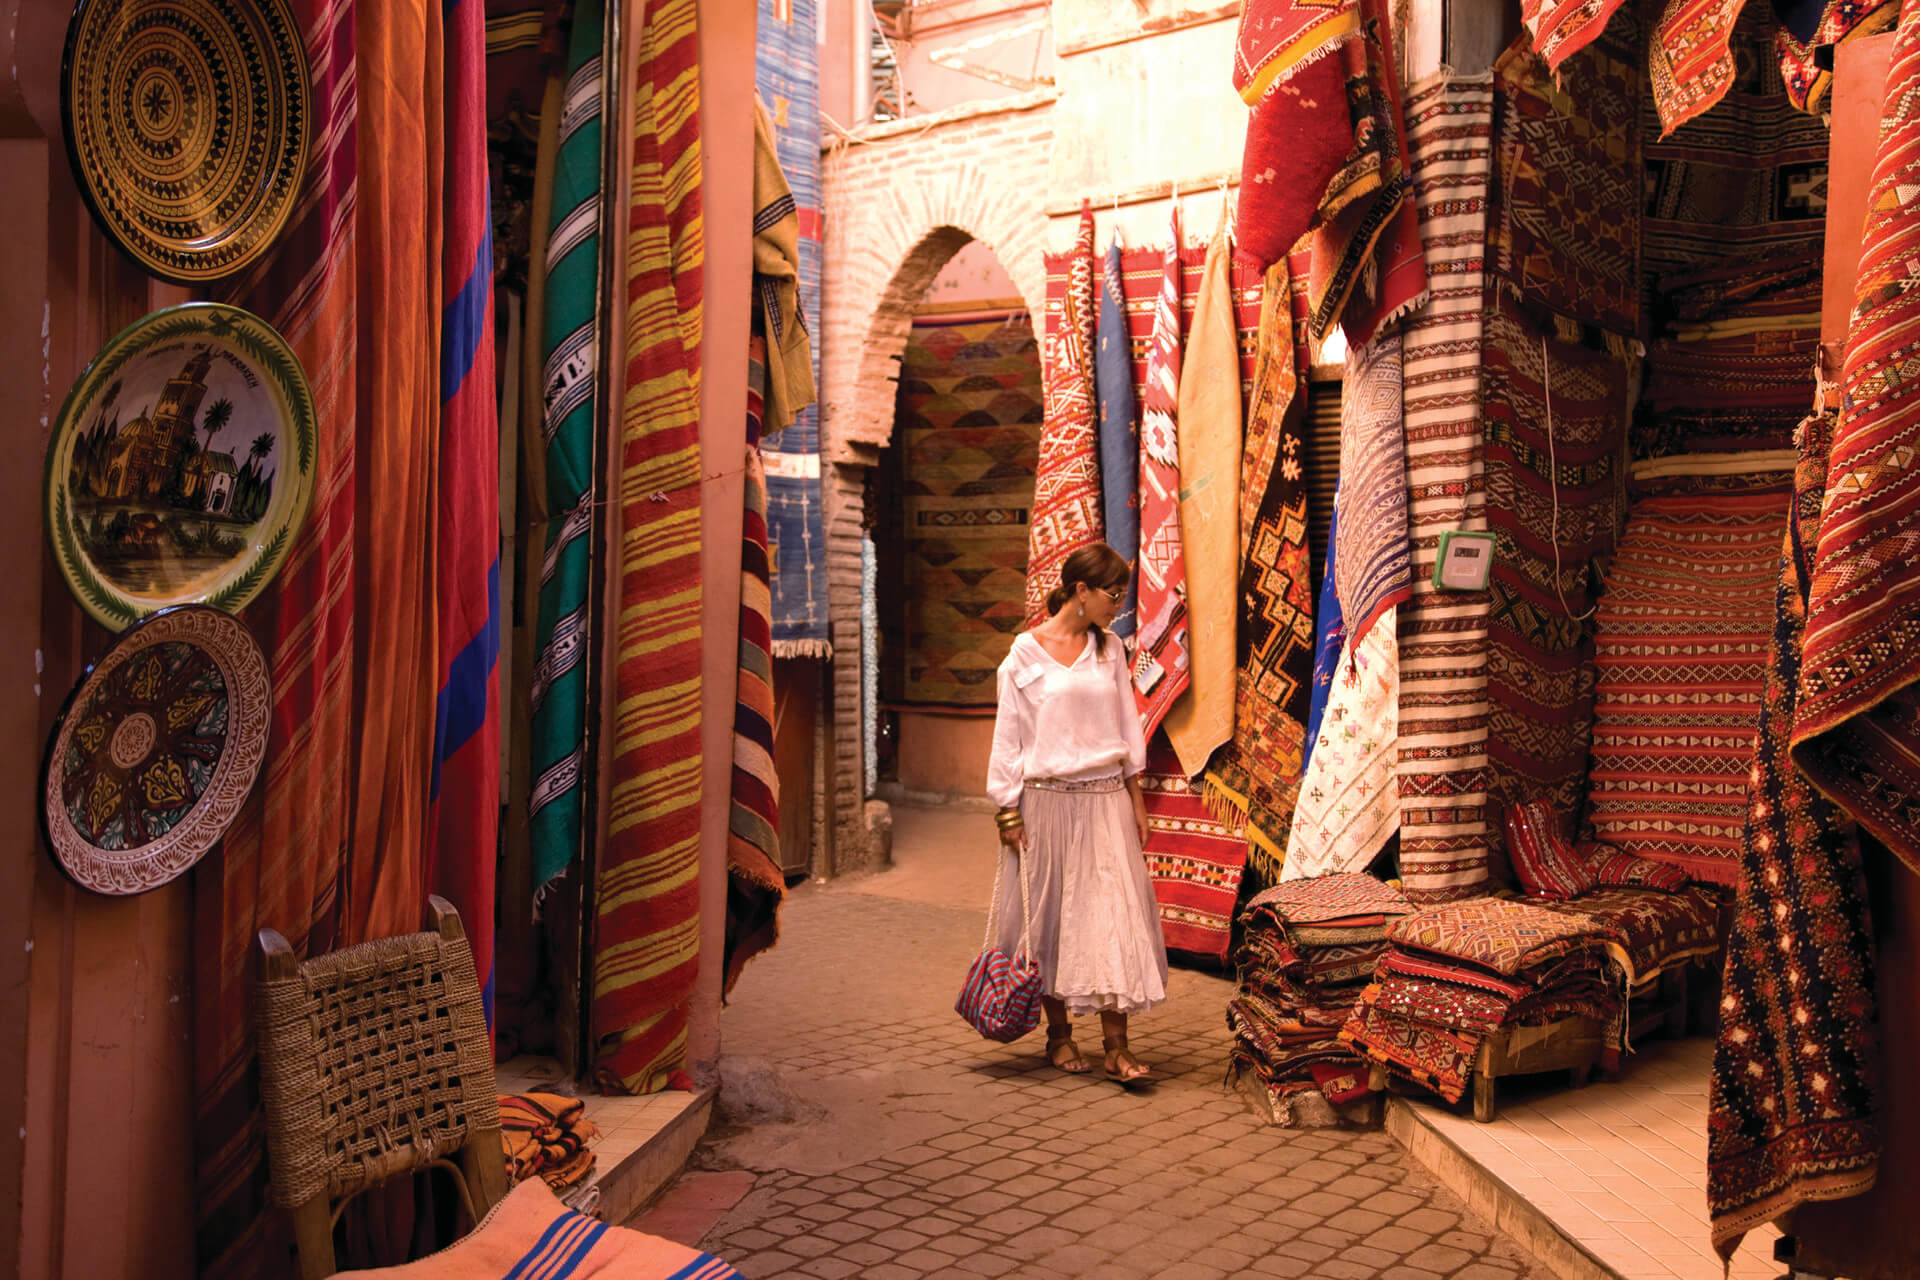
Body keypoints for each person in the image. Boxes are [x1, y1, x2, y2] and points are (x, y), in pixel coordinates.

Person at [985, 543, 1168, 1084]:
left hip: (1105, 799)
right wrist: (1007, 809)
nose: (1119, 605)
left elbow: (1128, 729)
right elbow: (1008, 737)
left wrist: (1136, 800)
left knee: (1114, 915)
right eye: (1113, 594)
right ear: (1081, 591)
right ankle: (1058, 1037)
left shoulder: (1111, 650)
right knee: (1051, 920)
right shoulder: (1022, 653)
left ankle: (1117, 1046)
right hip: (1044, 801)